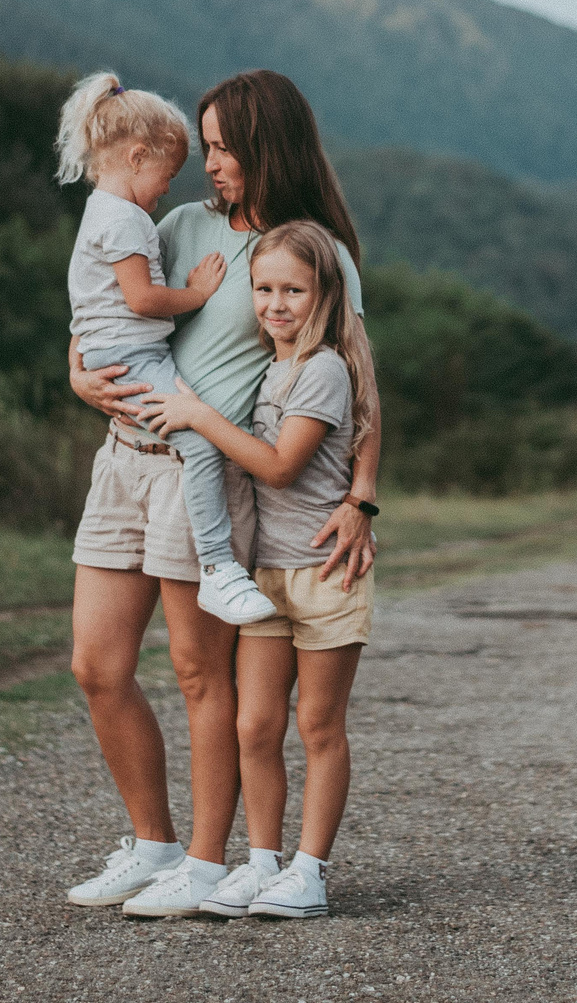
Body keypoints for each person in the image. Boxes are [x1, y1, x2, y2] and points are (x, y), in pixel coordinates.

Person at [60, 70, 382, 916]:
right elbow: (108, 300)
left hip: (203, 474)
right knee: (97, 665)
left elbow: (358, 383)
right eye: (203, 147)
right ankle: (153, 842)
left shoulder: (313, 250)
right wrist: (77, 372)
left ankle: (205, 865)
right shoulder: (177, 222)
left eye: (223, 147)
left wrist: (361, 497)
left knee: (201, 671)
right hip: (123, 456)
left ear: (265, 146)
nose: (210, 164)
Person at [141, 220, 374, 919]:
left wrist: (196, 414)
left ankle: (309, 871)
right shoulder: (270, 368)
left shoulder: (325, 368)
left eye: (293, 290)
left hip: (325, 574)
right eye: (264, 288)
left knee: (319, 725)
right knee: (254, 725)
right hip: (266, 574)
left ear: (324, 294)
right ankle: (261, 862)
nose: (276, 303)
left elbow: (278, 464)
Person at [53, 71, 275, 628]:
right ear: (135, 156)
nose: (170, 189)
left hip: (124, 356)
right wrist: (197, 293)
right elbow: (142, 298)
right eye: (166, 174)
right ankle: (220, 568)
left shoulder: (103, 213)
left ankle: (218, 567)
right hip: (134, 360)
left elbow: (90, 300)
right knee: (199, 445)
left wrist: (81, 359)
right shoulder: (126, 220)